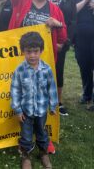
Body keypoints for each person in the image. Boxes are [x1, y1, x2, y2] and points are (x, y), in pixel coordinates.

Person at [9, 0, 66, 156]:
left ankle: (44, 138)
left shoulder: (55, 9)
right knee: (22, 98)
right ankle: (23, 137)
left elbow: (63, 36)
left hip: (43, 64)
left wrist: (57, 24)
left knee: (42, 100)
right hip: (19, 61)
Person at [26, 0, 77, 116]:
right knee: (24, 89)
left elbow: (63, 33)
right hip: (23, 55)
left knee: (44, 86)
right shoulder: (24, 1)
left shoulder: (62, 2)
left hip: (47, 54)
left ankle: (43, 125)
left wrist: (58, 27)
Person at [11, 32, 58, 169]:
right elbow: (15, 91)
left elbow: (52, 89)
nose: (32, 55)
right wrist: (17, 110)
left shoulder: (47, 70)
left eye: (35, 51)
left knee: (42, 133)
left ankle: (43, 153)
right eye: (28, 52)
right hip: (25, 112)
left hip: (42, 111)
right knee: (26, 136)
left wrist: (53, 106)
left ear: (41, 51)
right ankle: (26, 156)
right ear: (23, 52)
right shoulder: (19, 70)